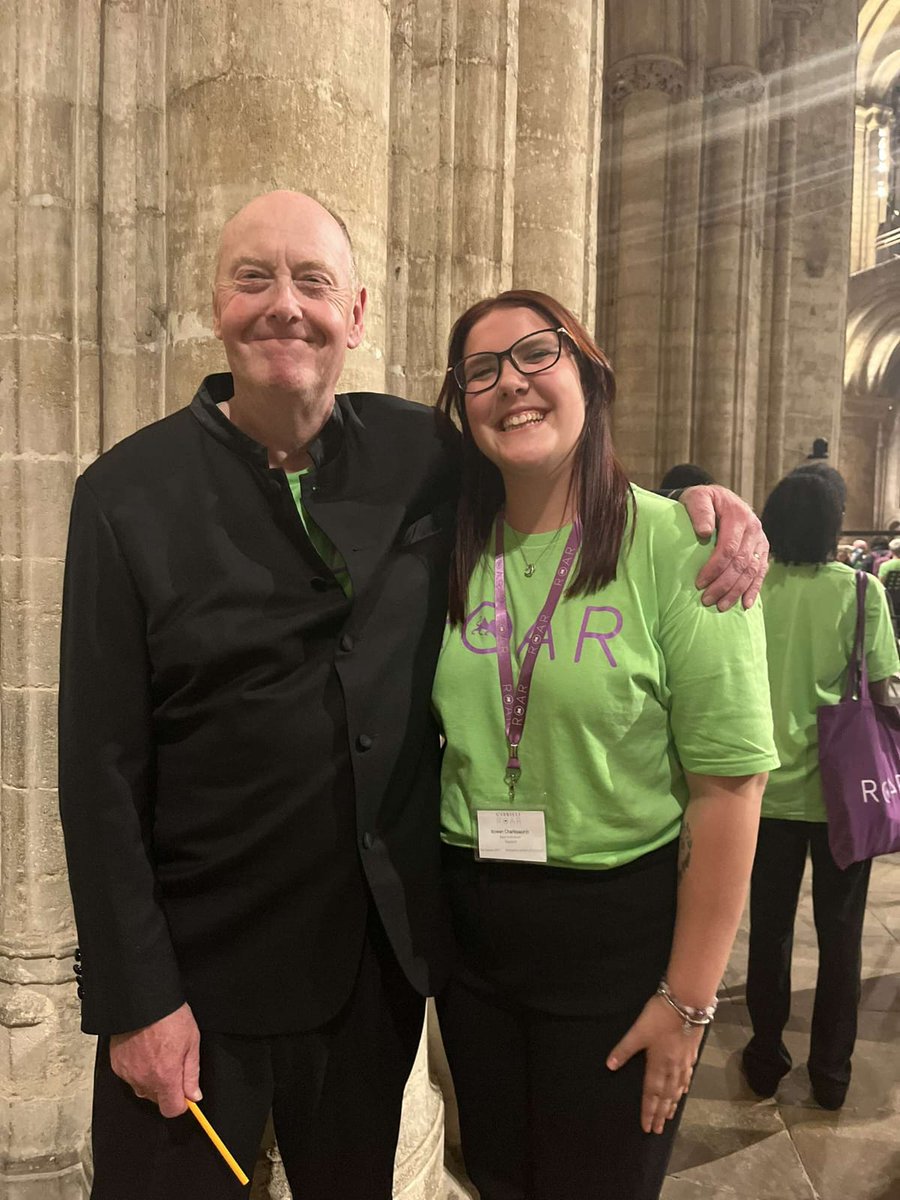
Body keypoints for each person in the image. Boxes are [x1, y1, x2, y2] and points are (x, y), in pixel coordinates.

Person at [57, 193, 768, 1200]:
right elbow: (97, 767)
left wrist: (707, 503)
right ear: (216, 305)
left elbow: (549, 456)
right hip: (200, 978)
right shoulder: (123, 493)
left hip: (371, 977)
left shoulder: (418, 453)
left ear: (355, 312)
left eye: (313, 281)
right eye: (254, 278)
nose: (285, 305)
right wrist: (136, 999)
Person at [431, 290, 779, 1200]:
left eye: (537, 354)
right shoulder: (450, 546)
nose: (511, 383)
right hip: (475, 941)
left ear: (590, 376)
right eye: (481, 371)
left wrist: (688, 1004)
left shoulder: (681, 544)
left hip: (616, 944)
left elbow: (730, 790)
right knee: (499, 1180)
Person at [742, 470, 899, 1110]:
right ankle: (831, 1073)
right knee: (840, 937)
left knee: (768, 930)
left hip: (763, 791)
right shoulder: (862, 591)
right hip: (844, 797)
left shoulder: (751, 589)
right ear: (835, 525)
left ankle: (764, 1056)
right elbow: (886, 691)